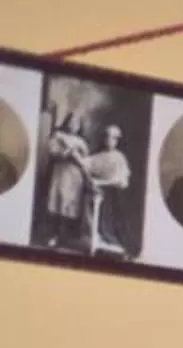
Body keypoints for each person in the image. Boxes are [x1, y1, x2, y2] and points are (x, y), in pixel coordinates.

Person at [81, 124, 134, 257]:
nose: (110, 140)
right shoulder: (98, 156)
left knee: (113, 220)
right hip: (97, 194)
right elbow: (85, 165)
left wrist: (102, 182)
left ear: (117, 140)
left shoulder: (120, 158)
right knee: (91, 209)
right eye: (108, 136)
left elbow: (122, 182)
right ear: (104, 138)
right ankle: (98, 240)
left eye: (114, 138)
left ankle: (117, 246)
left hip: (114, 195)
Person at [42, 108, 90, 253]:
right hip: (61, 174)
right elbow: (52, 152)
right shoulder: (58, 135)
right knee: (58, 203)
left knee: (71, 206)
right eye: (71, 121)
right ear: (66, 122)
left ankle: (65, 238)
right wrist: (66, 153)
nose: (73, 125)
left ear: (80, 126)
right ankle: (54, 236)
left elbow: (86, 160)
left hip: (75, 177)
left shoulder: (81, 141)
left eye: (77, 123)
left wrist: (79, 155)